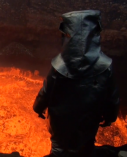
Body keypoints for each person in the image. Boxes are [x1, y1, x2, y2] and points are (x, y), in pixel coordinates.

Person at [33, 10, 120, 157]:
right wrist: (110, 116)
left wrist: (38, 107)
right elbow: (112, 97)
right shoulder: (105, 66)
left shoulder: (59, 66)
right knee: (85, 148)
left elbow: (46, 92)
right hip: (89, 121)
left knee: (59, 151)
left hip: (60, 124)